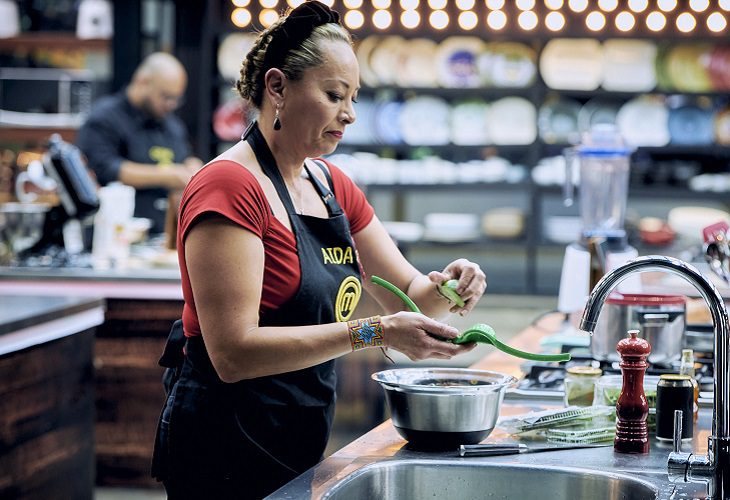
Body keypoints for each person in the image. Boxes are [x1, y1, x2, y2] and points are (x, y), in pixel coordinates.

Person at [151, 2, 487, 498]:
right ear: (277, 88)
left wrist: (454, 287)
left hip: (298, 431)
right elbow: (233, 353)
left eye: (352, 97)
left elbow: (411, 297)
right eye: (334, 95)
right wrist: (372, 332)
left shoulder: (331, 185)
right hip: (223, 442)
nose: (349, 114)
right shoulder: (229, 186)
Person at [76, 52, 203, 234]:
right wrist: (168, 175)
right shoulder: (104, 118)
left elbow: (184, 159)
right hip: (114, 233)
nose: (171, 105)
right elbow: (105, 168)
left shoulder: (171, 125)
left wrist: (192, 166)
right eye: (166, 96)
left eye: (176, 99)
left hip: (162, 234)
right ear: (142, 81)